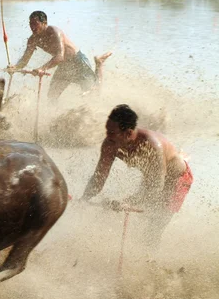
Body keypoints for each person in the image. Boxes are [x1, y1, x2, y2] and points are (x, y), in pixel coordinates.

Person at [81, 104, 193, 251]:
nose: (107, 137)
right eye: (107, 131)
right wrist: (84, 199)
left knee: (153, 228)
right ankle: (136, 256)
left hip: (177, 180)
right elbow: (99, 178)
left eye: (112, 133)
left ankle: (149, 263)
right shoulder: (110, 144)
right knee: (140, 222)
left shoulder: (151, 145)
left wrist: (125, 202)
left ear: (128, 133)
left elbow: (155, 189)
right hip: (153, 178)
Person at [8, 11, 112, 101]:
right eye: (30, 24)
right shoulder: (32, 40)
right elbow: (25, 60)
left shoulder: (54, 31)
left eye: (35, 24)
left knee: (93, 92)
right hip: (64, 66)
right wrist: (15, 67)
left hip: (77, 62)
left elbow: (59, 56)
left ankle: (99, 63)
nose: (32, 27)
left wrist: (42, 68)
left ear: (44, 23)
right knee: (52, 96)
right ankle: (55, 119)